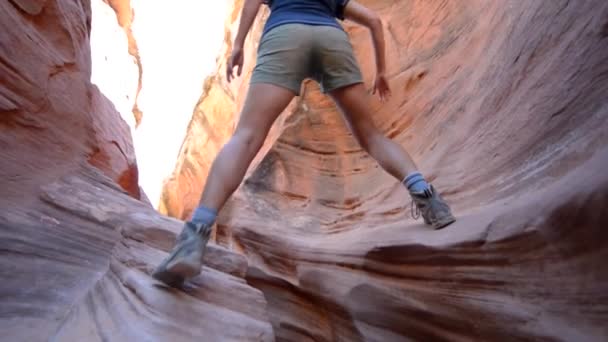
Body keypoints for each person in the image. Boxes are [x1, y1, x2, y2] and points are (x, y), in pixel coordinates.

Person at [153, 0, 455, 286]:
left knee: (246, 137)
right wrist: (382, 72)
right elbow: (373, 21)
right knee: (372, 137)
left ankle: (193, 240)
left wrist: (238, 45)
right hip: (331, 39)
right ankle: (428, 197)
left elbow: (251, 2)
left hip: (285, 34)